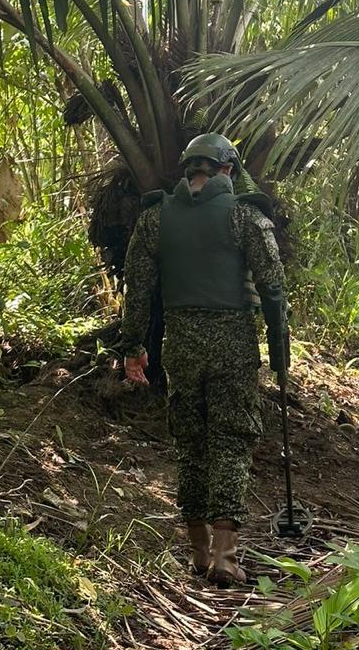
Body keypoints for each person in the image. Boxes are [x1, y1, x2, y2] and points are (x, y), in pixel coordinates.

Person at [120, 133, 288, 587]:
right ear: (227, 170)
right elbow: (273, 288)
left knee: (190, 443)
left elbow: (137, 290)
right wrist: (279, 349)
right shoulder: (246, 215)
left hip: (180, 344)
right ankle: (225, 557)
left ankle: (198, 552)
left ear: (188, 168)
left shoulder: (155, 217)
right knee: (231, 441)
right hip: (233, 343)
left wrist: (133, 347)